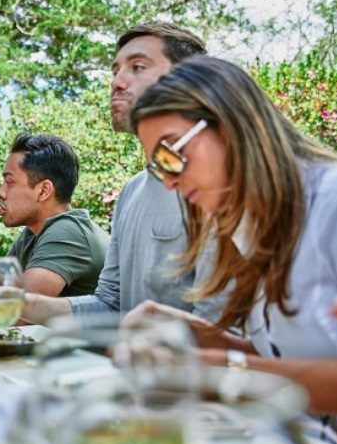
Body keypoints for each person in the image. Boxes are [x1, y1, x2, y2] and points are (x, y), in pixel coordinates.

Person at [124, 55, 337, 444]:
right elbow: (287, 356)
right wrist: (194, 334)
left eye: (171, 154)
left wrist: (227, 371)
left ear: (230, 123)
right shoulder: (249, 229)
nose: (169, 182)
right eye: (159, 167)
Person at [20, 23, 222, 323]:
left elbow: (221, 327)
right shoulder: (132, 191)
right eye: (116, 70)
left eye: (137, 67)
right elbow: (112, 303)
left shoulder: (220, 186)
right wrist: (17, 304)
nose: (117, 82)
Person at [0, 134, 108, 298]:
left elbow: (14, 310)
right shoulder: (32, 234)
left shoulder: (68, 232)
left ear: (44, 190)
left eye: (9, 182)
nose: (0, 193)